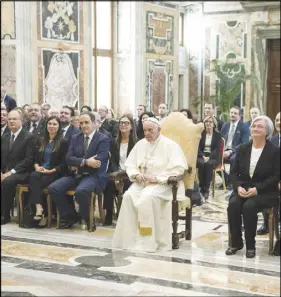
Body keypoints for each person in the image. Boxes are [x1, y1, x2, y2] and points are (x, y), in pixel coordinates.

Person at [112, 117, 187, 252]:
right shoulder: (140, 144)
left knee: (147, 198)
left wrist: (157, 178)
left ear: (159, 130)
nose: (146, 133)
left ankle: (149, 242)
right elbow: (130, 164)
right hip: (142, 183)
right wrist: (136, 174)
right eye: (145, 130)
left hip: (164, 185)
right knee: (128, 196)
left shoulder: (170, 146)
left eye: (150, 130)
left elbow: (179, 169)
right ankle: (130, 240)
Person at [226, 116, 280, 258]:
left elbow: (276, 177)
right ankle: (236, 243)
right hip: (243, 188)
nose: (255, 128)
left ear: (267, 131)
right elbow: (233, 172)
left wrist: (257, 189)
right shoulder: (243, 148)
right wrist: (238, 187)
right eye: (254, 126)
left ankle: (251, 246)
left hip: (266, 191)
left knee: (249, 206)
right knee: (233, 205)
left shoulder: (274, 151)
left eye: (260, 126)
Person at [48, 111, 110, 230]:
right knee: (53, 188)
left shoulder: (103, 139)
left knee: (81, 191)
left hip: (94, 176)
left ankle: (88, 219)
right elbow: (68, 158)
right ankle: (71, 216)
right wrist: (86, 162)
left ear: (94, 123)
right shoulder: (75, 137)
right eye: (81, 123)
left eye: (86, 122)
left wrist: (77, 163)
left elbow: (99, 161)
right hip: (76, 174)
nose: (83, 126)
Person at [21, 116, 68, 228]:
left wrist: (50, 170)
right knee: (34, 176)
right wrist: (37, 166)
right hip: (40, 172)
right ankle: (40, 209)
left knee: (34, 180)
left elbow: (64, 164)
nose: (51, 126)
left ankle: (41, 211)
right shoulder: (41, 140)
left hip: (54, 173)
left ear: (59, 127)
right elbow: (36, 159)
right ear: (46, 125)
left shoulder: (63, 142)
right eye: (49, 124)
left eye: (54, 124)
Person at [103, 114, 138, 225]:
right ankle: (109, 214)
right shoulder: (114, 142)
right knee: (108, 183)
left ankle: (124, 215)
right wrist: (116, 172)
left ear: (131, 126)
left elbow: (137, 162)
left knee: (127, 184)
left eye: (126, 123)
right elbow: (112, 160)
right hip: (116, 172)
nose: (123, 125)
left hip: (130, 173)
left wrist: (125, 172)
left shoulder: (137, 142)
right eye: (121, 123)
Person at [1, 110, 35, 225]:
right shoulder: (5, 137)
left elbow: (29, 160)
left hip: (22, 172)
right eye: (9, 119)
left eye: (14, 119)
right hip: (6, 172)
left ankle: (4, 215)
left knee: (7, 181)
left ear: (21, 121)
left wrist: (10, 172)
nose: (11, 121)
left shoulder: (28, 137)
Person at [257, 111, 280, 235]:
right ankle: (266, 223)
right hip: (274, 178)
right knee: (262, 185)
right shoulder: (272, 140)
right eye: (276, 120)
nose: (279, 122)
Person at [221, 106, 250, 186]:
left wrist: (230, 151)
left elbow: (244, 143)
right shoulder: (225, 125)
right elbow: (221, 140)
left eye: (235, 113)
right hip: (224, 150)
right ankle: (227, 179)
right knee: (213, 159)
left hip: (236, 151)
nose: (232, 115)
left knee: (234, 159)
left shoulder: (244, 126)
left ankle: (231, 182)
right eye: (231, 113)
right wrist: (222, 151)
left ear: (239, 115)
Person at [197, 115, 222, 200]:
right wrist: (202, 156)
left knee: (208, 164)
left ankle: (206, 188)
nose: (208, 123)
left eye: (210, 122)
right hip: (201, 155)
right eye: (206, 122)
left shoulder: (218, 135)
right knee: (201, 163)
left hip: (213, 157)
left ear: (214, 124)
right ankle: (201, 187)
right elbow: (197, 147)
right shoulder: (201, 133)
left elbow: (217, 149)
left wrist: (209, 157)